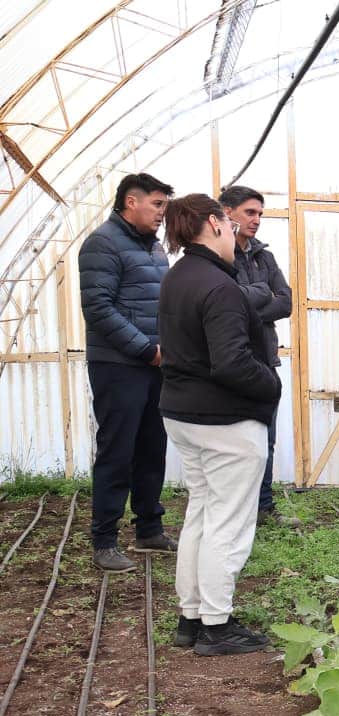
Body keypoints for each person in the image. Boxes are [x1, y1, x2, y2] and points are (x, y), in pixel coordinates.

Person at [157, 194, 281, 656]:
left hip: (183, 415)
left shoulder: (176, 278)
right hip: (225, 421)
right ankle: (216, 624)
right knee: (228, 523)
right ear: (213, 224)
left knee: (202, 514)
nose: (235, 233)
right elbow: (231, 363)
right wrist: (270, 384)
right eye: (229, 224)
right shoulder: (219, 286)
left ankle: (191, 617)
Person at [79, 172, 176, 573]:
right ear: (131, 202)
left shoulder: (154, 249)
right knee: (117, 451)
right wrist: (145, 349)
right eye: (157, 205)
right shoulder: (102, 243)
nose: (161, 216)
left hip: (155, 363)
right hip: (119, 365)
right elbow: (99, 308)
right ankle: (104, 539)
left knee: (152, 447)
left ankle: (149, 528)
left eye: (165, 208)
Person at [220, 184, 297, 528]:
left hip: (265, 361)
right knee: (233, 440)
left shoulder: (263, 256)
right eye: (250, 212)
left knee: (266, 437)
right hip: (231, 361)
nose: (257, 220)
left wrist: (247, 307)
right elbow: (220, 304)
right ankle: (235, 511)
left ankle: (264, 507)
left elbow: (286, 301)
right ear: (227, 213)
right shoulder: (218, 255)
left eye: (260, 214)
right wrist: (257, 299)